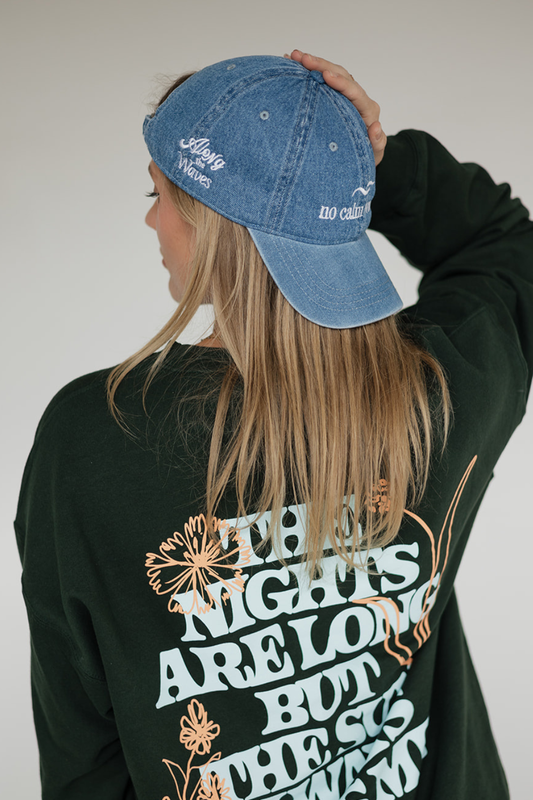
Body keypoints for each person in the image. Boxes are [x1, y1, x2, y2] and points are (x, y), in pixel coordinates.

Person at [14, 50, 532, 800]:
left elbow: (83, 747)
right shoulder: (449, 385)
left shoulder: (95, 435)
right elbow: (505, 246)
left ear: (210, 224)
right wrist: (375, 169)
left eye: (158, 192)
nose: (151, 218)